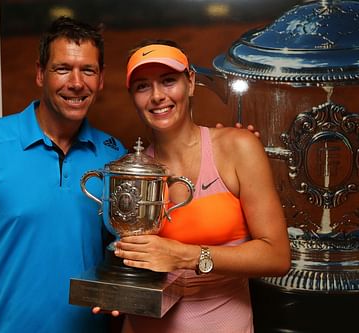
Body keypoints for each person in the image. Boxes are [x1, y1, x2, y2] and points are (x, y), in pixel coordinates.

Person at [0, 17, 127, 333]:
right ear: (40, 73)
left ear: (100, 80)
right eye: (62, 69)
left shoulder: (114, 156)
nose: (76, 82)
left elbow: (123, 256)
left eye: (88, 70)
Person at [112, 40, 291, 332]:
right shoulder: (131, 173)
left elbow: (277, 256)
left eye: (168, 81)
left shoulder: (238, 148)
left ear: (191, 82)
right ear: (132, 96)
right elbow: (131, 261)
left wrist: (187, 255)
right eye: (143, 86)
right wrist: (112, 290)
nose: (157, 96)